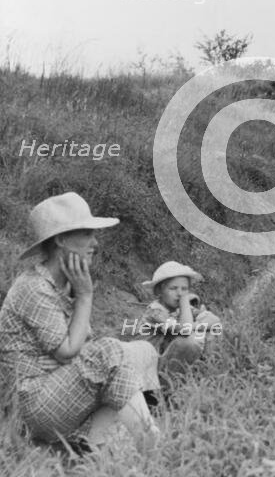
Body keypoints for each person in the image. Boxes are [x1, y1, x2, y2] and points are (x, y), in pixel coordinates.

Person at [0, 192, 160, 449]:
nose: (95, 243)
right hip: (34, 404)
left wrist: (79, 296)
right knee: (109, 351)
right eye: (87, 233)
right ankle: (147, 439)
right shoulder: (34, 287)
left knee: (145, 350)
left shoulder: (65, 284)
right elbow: (68, 353)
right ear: (61, 239)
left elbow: (83, 347)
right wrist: (85, 295)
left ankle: (98, 445)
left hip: (60, 388)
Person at [137, 261, 222, 374]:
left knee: (212, 330)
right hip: (149, 370)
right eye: (173, 288)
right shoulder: (155, 311)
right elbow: (185, 330)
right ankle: (163, 389)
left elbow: (214, 320)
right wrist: (185, 302)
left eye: (184, 289)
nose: (180, 294)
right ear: (160, 291)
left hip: (166, 362)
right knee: (189, 342)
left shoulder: (179, 309)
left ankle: (207, 370)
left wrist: (195, 325)